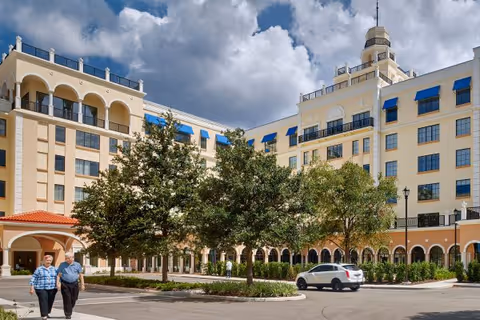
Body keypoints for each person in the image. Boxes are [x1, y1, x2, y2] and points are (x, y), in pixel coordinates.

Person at [56, 252, 85, 320]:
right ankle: (68, 314)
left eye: (69, 258)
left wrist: (82, 284)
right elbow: (59, 275)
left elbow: (81, 275)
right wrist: (58, 283)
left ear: (72, 258)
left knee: (74, 298)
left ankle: (69, 308)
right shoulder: (62, 265)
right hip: (65, 284)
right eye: (66, 258)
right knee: (67, 299)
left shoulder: (77, 265)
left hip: (74, 284)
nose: (68, 259)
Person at [29, 255, 58, 320]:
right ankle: (44, 315)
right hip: (41, 288)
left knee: (50, 301)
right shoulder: (39, 269)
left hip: (52, 288)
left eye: (50, 260)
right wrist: (32, 287)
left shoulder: (55, 269)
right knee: (43, 301)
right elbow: (34, 278)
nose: (48, 262)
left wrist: (59, 284)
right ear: (44, 261)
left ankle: (47, 312)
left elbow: (58, 277)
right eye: (47, 260)